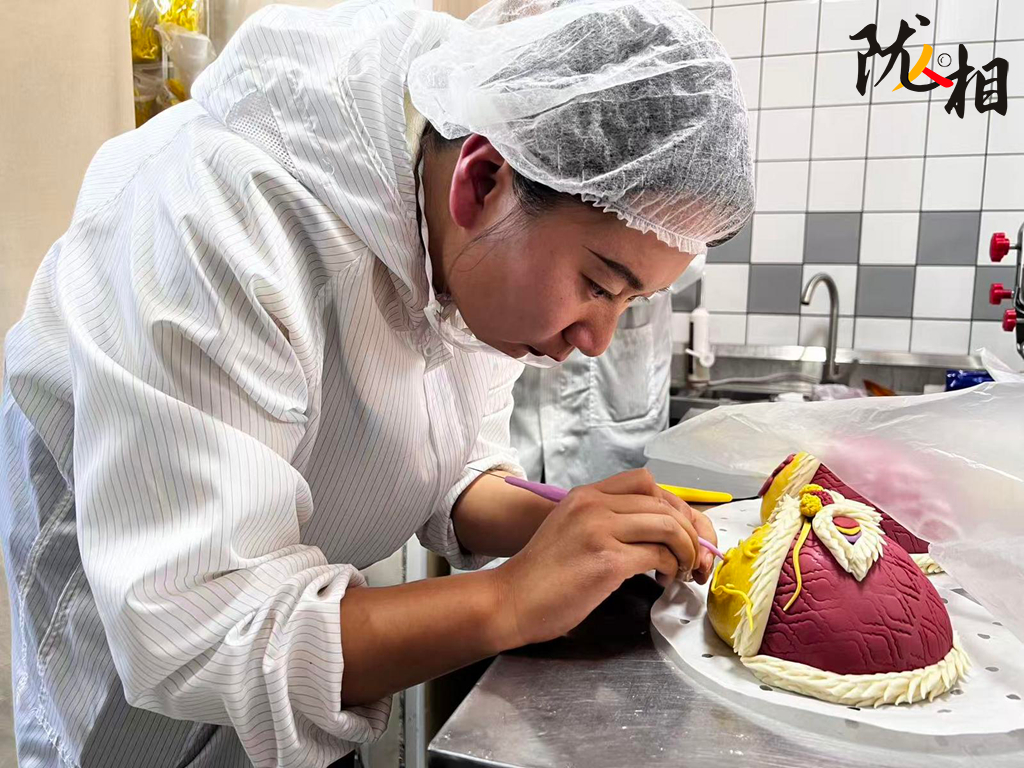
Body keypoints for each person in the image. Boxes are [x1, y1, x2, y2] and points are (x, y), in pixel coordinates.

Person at [0, 0, 754, 765]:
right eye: (599, 285)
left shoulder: (472, 246)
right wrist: (510, 598)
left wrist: (576, 528)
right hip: (134, 700)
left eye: (631, 302)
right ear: (482, 180)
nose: (596, 341)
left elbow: (450, 470)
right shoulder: (220, 221)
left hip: (304, 647)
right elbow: (196, 632)